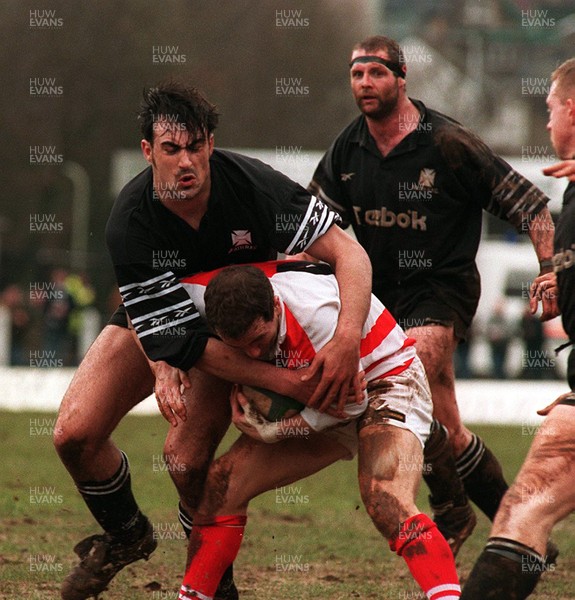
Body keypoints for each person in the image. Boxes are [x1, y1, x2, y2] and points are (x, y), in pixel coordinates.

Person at [54, 81, 373, 600]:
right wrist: (283, 382)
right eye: (171, 149)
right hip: (175, 324)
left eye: (197, 146)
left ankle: (213, 585)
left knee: (183, 459)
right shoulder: (130, 223)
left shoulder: (254, 186)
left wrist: (346, 341)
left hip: (233, 330)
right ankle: (128, 535)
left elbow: (350, 255)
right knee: (73, 434)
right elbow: (177, 340)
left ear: (211, 144)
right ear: (147, 152)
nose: (186, 161)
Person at [308, 35, 559, 551]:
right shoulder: (347, 149)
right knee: (444, 424)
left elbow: (531, 204)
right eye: (356, 75)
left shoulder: (447, 143)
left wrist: (550, 268)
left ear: (401, 78)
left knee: (405, 381)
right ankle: (524, 536)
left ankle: (451, 510)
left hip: (442, 290)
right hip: (381, 297)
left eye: (375, 73)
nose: (364, 84)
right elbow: (310, 230)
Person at [178, 261, 461, 600]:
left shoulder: (317, 316)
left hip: (387, 380)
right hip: (324, 400)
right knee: (222, 484)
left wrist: (274, 431)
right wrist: (167, 366)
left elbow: (351, 406)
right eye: (240, 348)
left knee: (385, 498)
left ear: (275, 305)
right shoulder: (195, 296)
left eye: (259, 340)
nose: (253, 354)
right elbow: (144, 311)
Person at [461, 57, 575, 600]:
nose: (547, 121)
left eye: (549, 108)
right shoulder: (570, 191)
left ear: (572, 109)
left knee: (523, 508)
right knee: (527, 508)